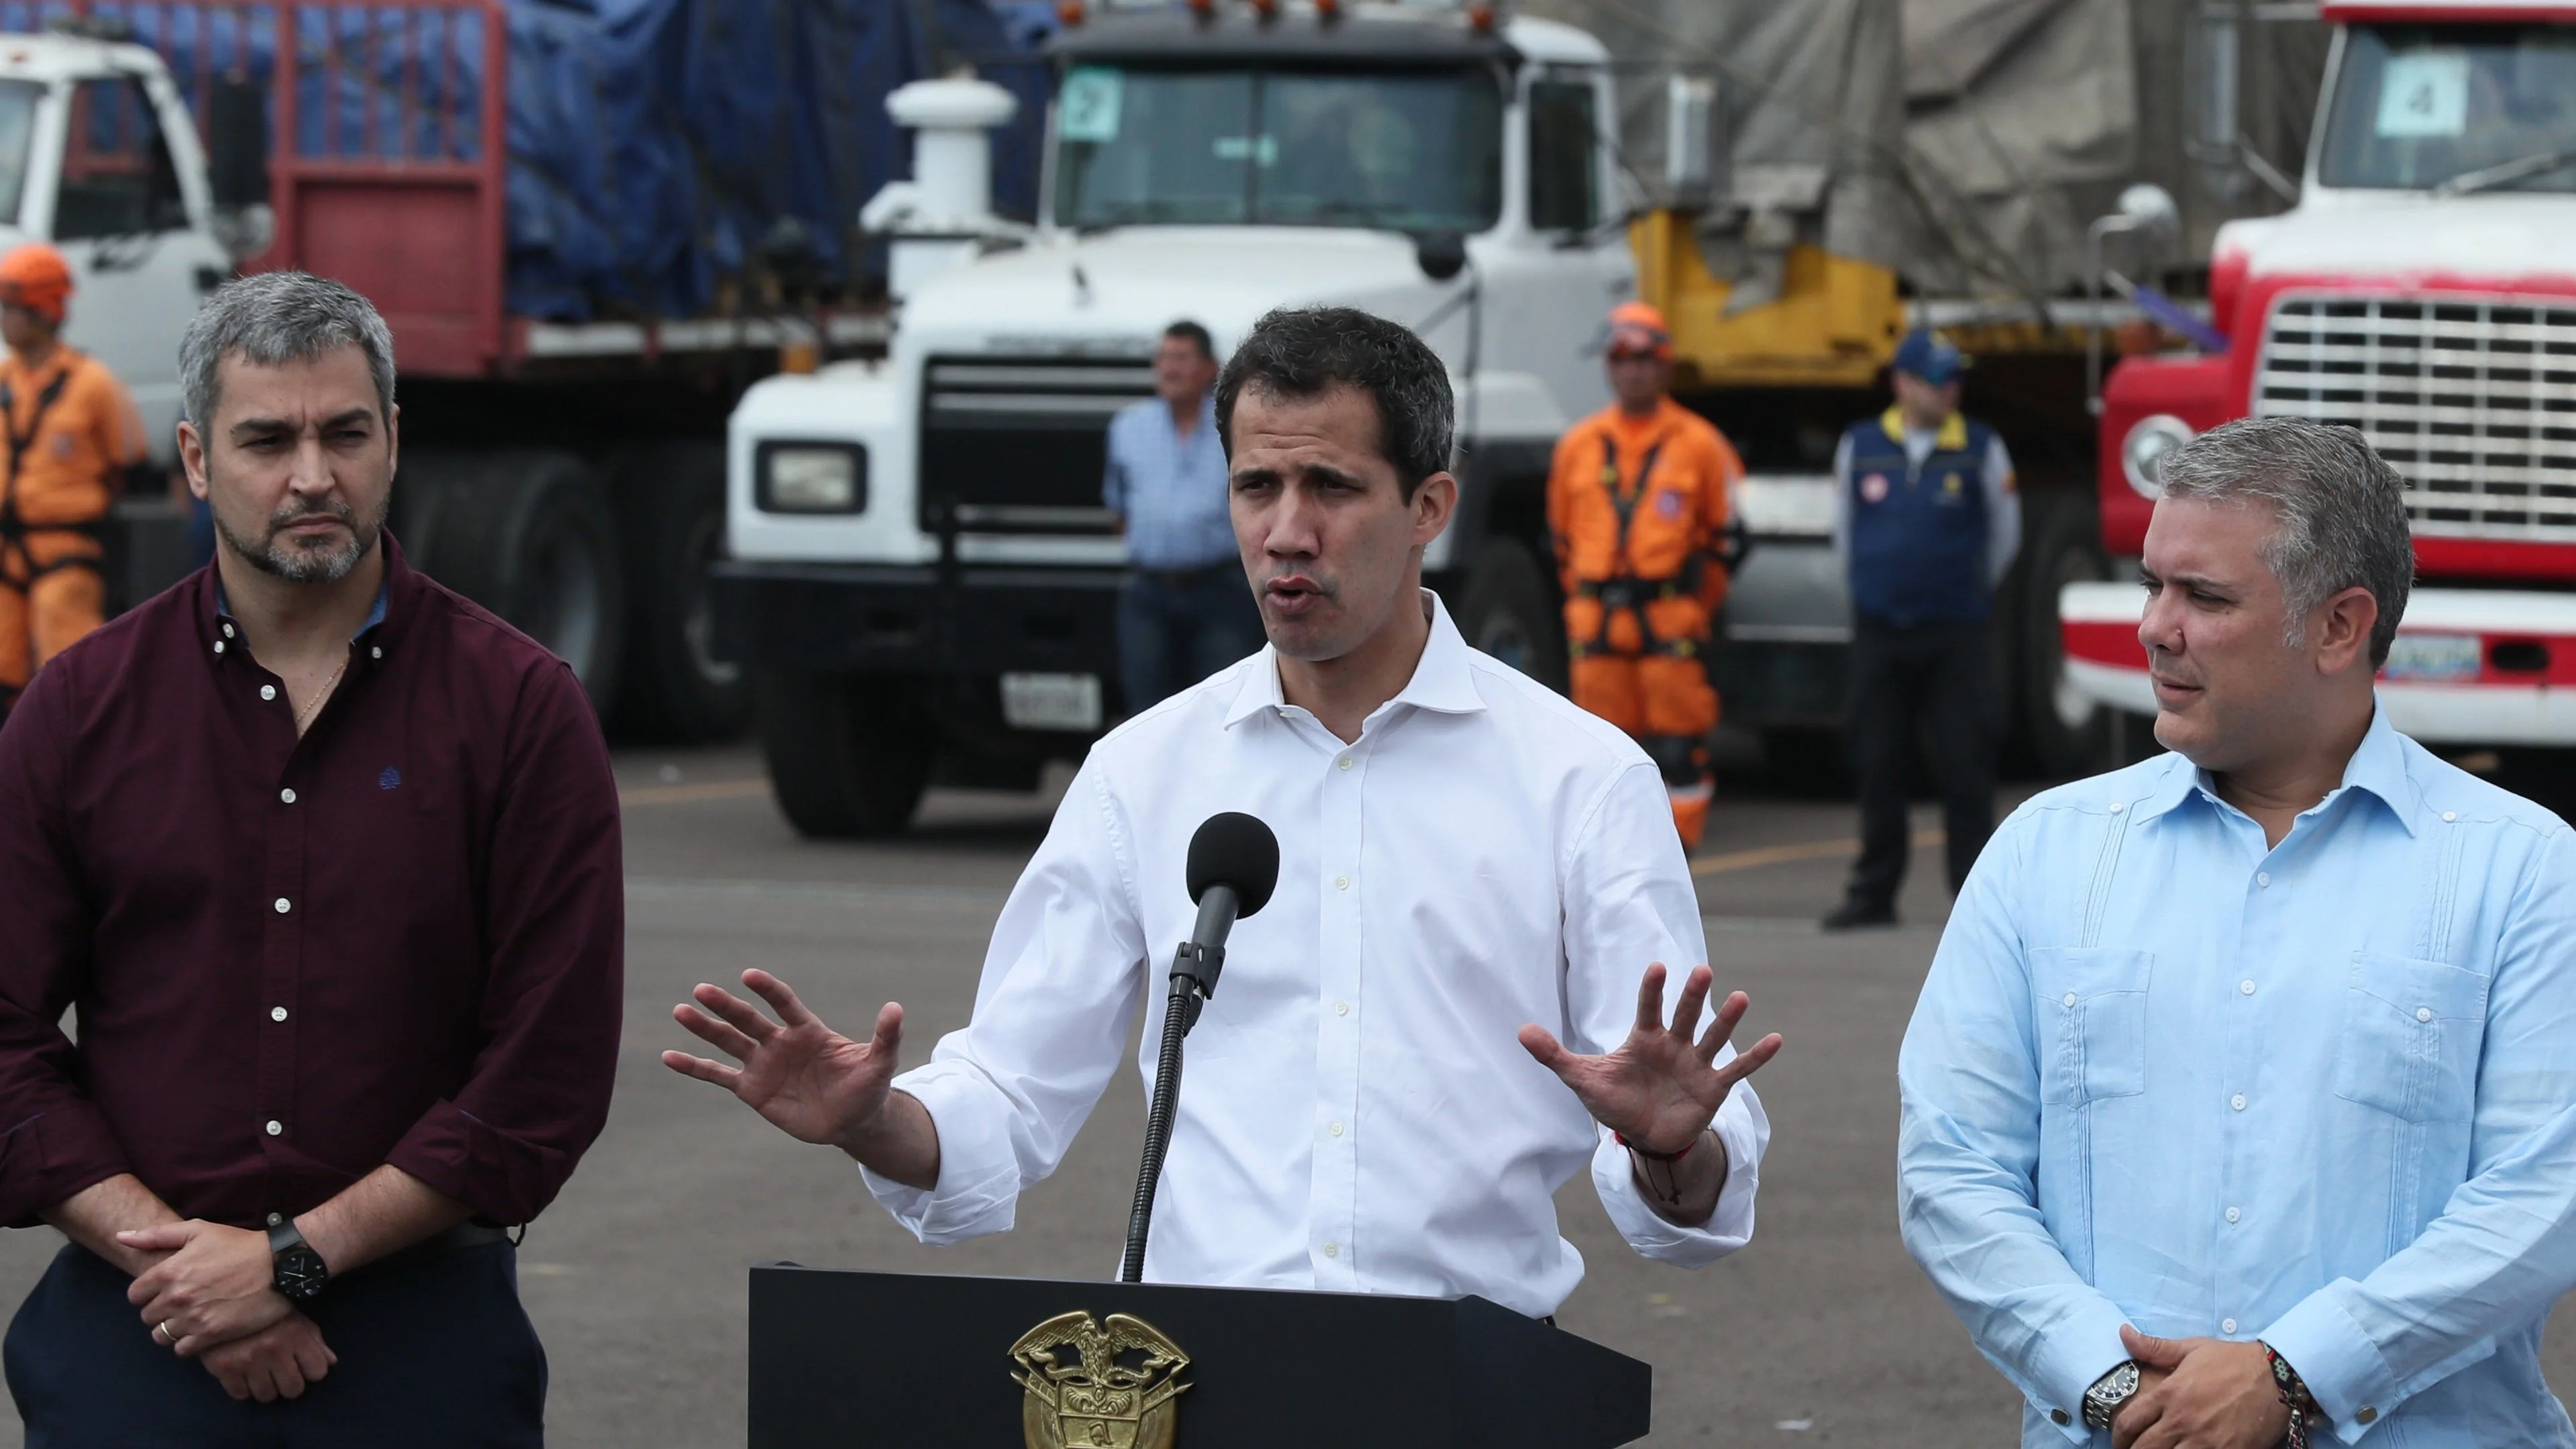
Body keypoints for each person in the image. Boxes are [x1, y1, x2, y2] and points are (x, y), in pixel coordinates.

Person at [668, 305, 1782, 1314]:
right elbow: (1004, 1092)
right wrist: (870, 1117)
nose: (1285, 530)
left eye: (1330, 488)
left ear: (1427, 506)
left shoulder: (1579, 778)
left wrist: (1669, 1151)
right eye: (1256, 486)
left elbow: (1679, 1141)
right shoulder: (1140, 773)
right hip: (1193, 1381)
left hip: (1470, 1385)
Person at [0, 272, 623, 1444]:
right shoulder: (79, 708)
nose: (311, 475)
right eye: (266, 438)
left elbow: (546, 1069)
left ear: (393, 438)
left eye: (345, 431)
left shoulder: (521, 711)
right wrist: (191, 1273)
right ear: (195, 457)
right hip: (136, 1333)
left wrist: (292, 1261)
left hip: (420, 1347)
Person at [1898, 417, 2576, 1448]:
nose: (2153, 626)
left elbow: (2542, 1191)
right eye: (2149, 583)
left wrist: (2298, 1376)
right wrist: (2117, 1390)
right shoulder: (2046, 850)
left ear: (2339, 626)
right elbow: (1952, 1168)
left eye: (2202, 596)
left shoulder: (2522, 868)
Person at [1822, 328, 2020, 930]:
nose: (1950, 389)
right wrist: (1870, 593)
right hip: (1881, 629)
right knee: (1878, 761)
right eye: (1938, 378)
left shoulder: (1981, 447)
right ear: (1902, 383)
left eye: (1956, 377)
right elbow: (1843, 536)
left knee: (1965, 764)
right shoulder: (1860, 445)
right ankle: (1873, 893)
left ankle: (1974, 901)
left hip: (1954, 631)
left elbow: (2004, 538)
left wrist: (1959, 593)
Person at [1546, 301, 1743, 850]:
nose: (1633, 369)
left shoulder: (1701, 444)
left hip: (1670, 618)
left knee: (1680, 750)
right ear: (1608, 365)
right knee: (1596, 754)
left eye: (1645, 357)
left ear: (1665, 363)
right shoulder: (1577, 446)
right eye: (1620, 357)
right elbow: (1561, 538)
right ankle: (1604, 857)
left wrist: (1691, 605)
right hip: (1596, 625)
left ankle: (1679, 854)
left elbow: (1726, 540)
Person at [0, 242, 150, 713]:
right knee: (5, 669)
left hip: (68, 551)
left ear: (43, 311)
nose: (3, 319)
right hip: (8, 552)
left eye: (11, 308)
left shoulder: (94, 384)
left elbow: (130, 463)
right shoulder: (4, 381)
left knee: (71, 666)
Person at [1106, 319, 1264, 713]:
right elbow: (1118, 508)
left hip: (1221, 591)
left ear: (1210, 367)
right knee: (1145, 710)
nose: (1169, 368)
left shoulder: (1234, 426)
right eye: (1163, 358)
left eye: (1181, 358)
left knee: (1223, 708)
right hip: (1148, 595)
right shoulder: (1128, 426)